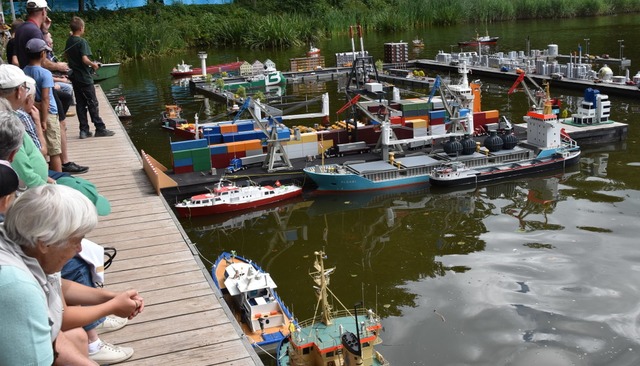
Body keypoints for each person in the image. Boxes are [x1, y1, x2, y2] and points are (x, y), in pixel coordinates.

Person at [2, 184, 143, 365]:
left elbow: (59, 286)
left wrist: (111, 297)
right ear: (44, 242)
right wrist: (112, 307)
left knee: (77, 337)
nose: (80, 249)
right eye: (76, 241)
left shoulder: (27, 245)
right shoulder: (17, 288)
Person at [65, 16, 115, 139]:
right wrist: (93, 64)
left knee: (80, 103)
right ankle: (100, 128)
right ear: (81, 28)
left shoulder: (69, 41)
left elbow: (67, 56)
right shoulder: (82, 42)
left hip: (74, 77)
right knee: (92, 102)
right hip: (84, 77)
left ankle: (83, 130)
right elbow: (84, 59)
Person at [23, 37, 62, 172]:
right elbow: (46, 98)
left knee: (40, 149)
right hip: (48, 114)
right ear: (42, 54)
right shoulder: (45, 73)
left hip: (32, 111)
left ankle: (45, 177)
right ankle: (59, 182)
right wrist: (44, 120)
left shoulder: (24, 71)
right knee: (54, 151)